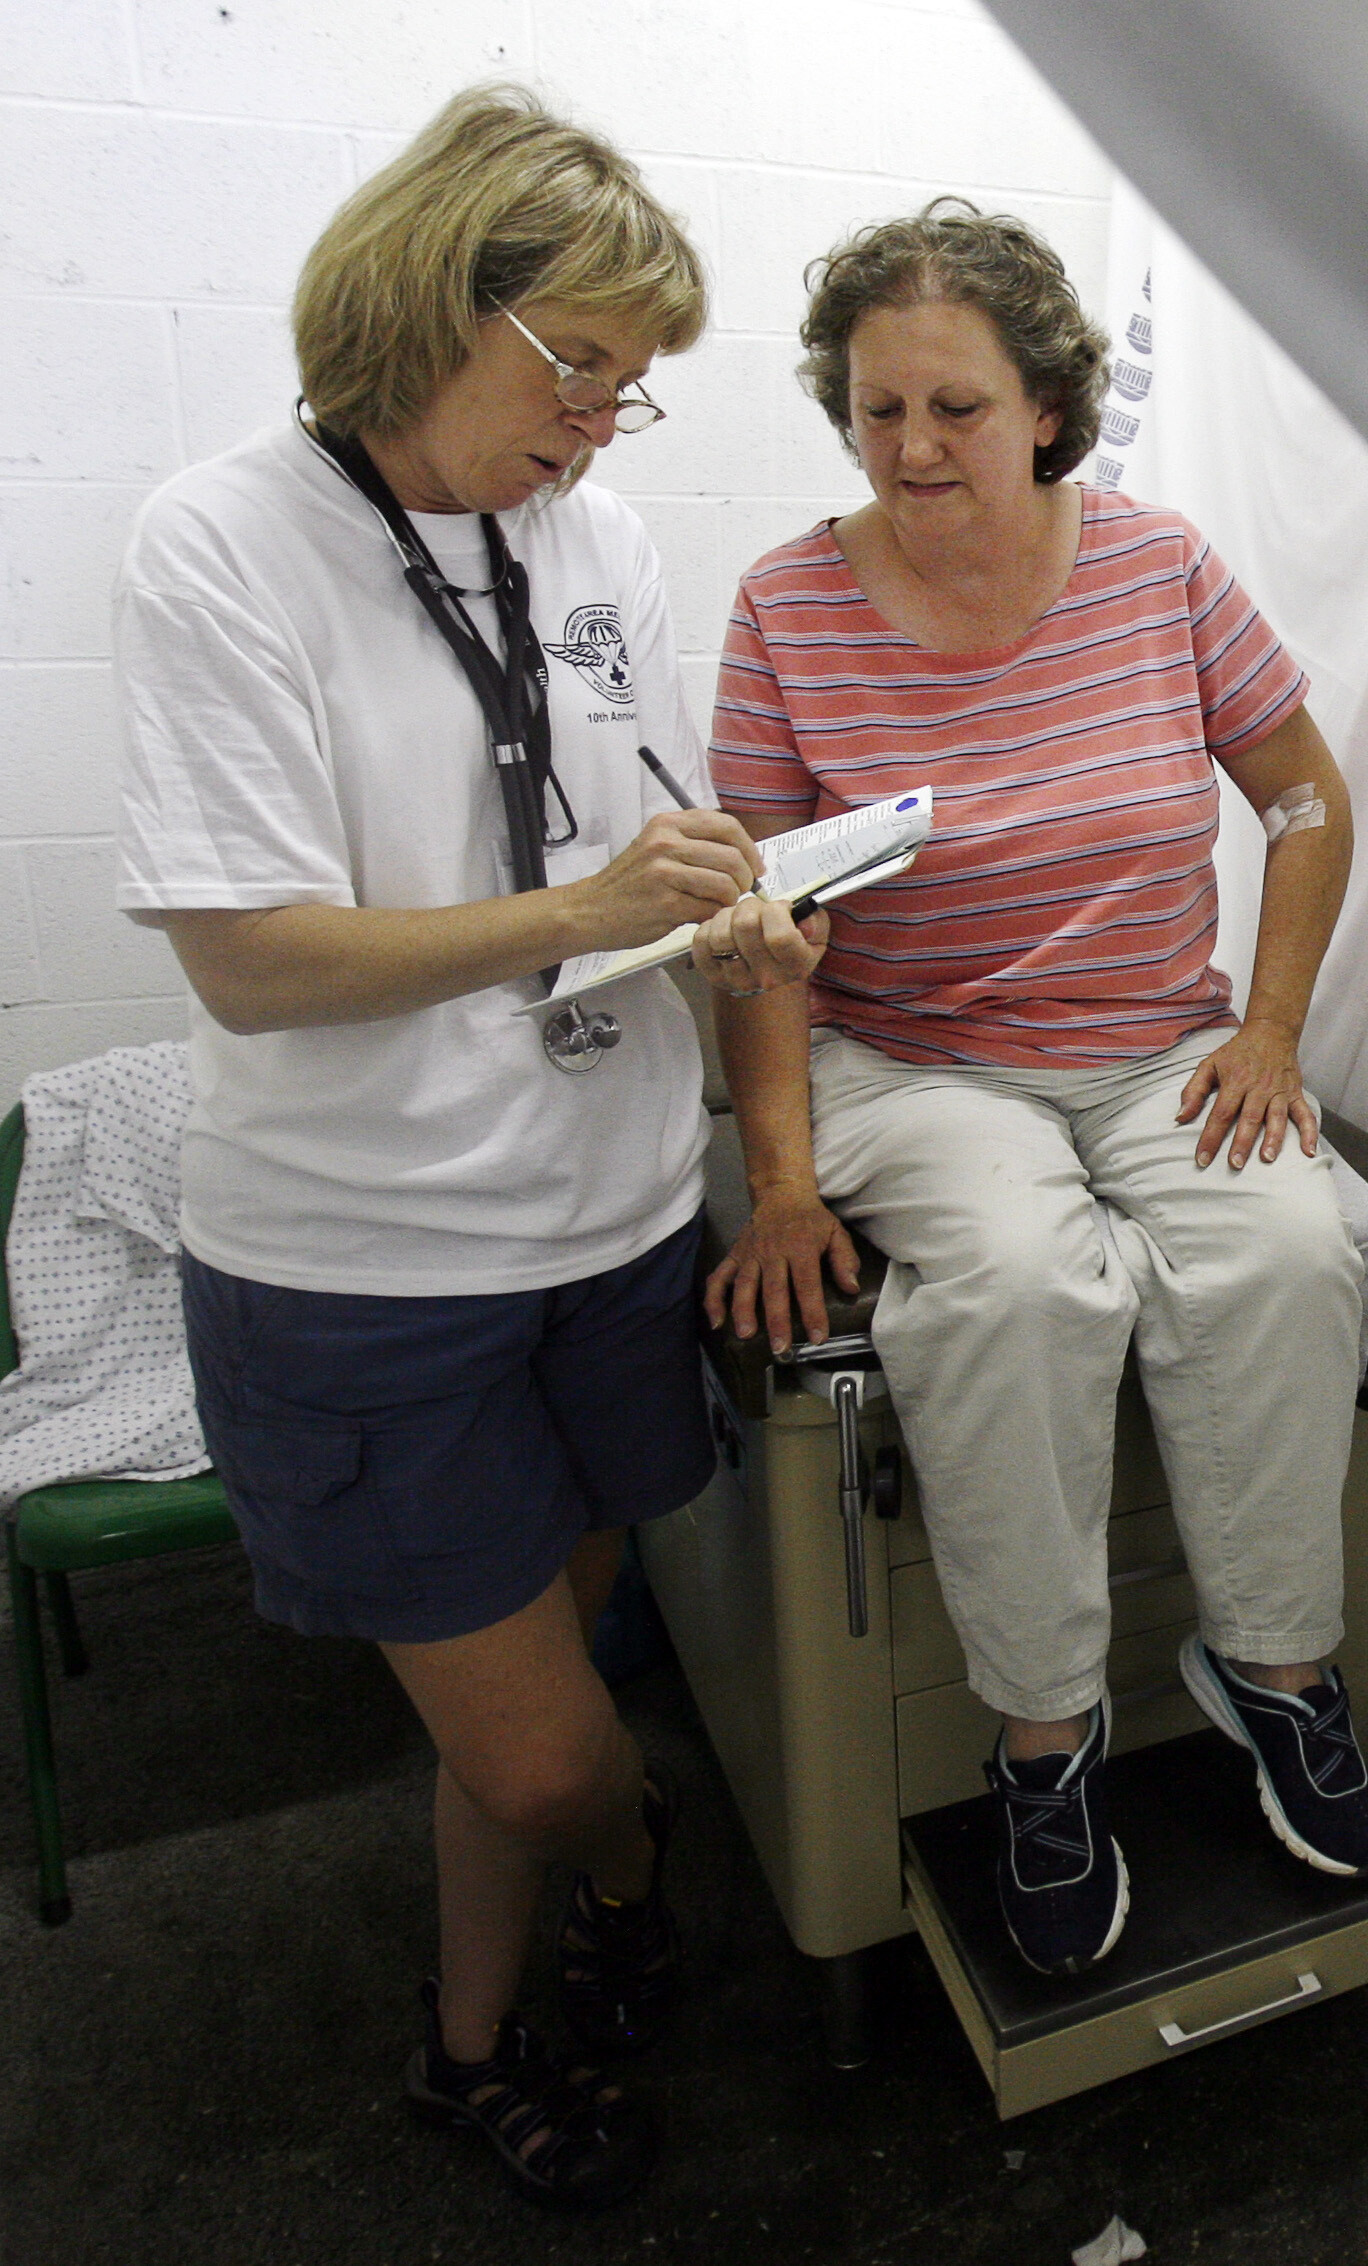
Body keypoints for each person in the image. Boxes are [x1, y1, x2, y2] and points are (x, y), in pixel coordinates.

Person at [110, 87, 819, 2211]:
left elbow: (634, 840)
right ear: (434, 300)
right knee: (540, 1751)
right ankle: (630, 1866)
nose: (607, 418)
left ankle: (475, 2031)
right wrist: (588, 909)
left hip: (600, 1228)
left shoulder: (592, 540)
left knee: (534, 1692)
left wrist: (724, 905)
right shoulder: (222, 542)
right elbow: (248, 961)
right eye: (576, 361)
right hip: (366, 1265)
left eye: (639, 379)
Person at [703, 201, 1368, 1979]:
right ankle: (1044, 1738)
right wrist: (782, 1180)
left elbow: (1308, 801)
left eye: (956, 409)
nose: (914, 448)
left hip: (1163, 1040)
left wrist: (1274, 1028)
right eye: (877, 412)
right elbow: (761, 936)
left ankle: (1274, 1670)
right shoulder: (786, 608)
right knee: (1012, 1288)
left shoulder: (1159, 568)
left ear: (1048, 407)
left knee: (1297, 1245)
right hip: (912, 1060)